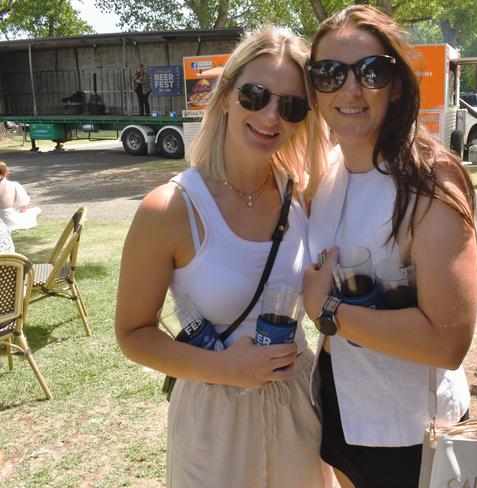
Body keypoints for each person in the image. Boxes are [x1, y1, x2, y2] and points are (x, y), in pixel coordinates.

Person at [115, 27, 331, 487]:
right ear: (227, 94)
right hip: (214, 414)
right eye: (256, 95)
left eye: (290, 106)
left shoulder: (305, 197)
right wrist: (225, 368)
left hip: (297, 407)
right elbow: (132, 334)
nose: (271, 116)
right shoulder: (171, 208)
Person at [302, 6, 477, 488]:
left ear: (396, 84)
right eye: (330, 73)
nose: (351, 89)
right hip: (339, 409)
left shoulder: (428, 183)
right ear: (313, 87)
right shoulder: (328, 173)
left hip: (412, 431)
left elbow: (448, 342)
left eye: (372, 71)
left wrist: (328, 311)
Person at [0, 161, 42, 231]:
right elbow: (23, 207)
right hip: (9, 221)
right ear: (7, 172)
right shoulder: (13, 185)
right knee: (37, 210)